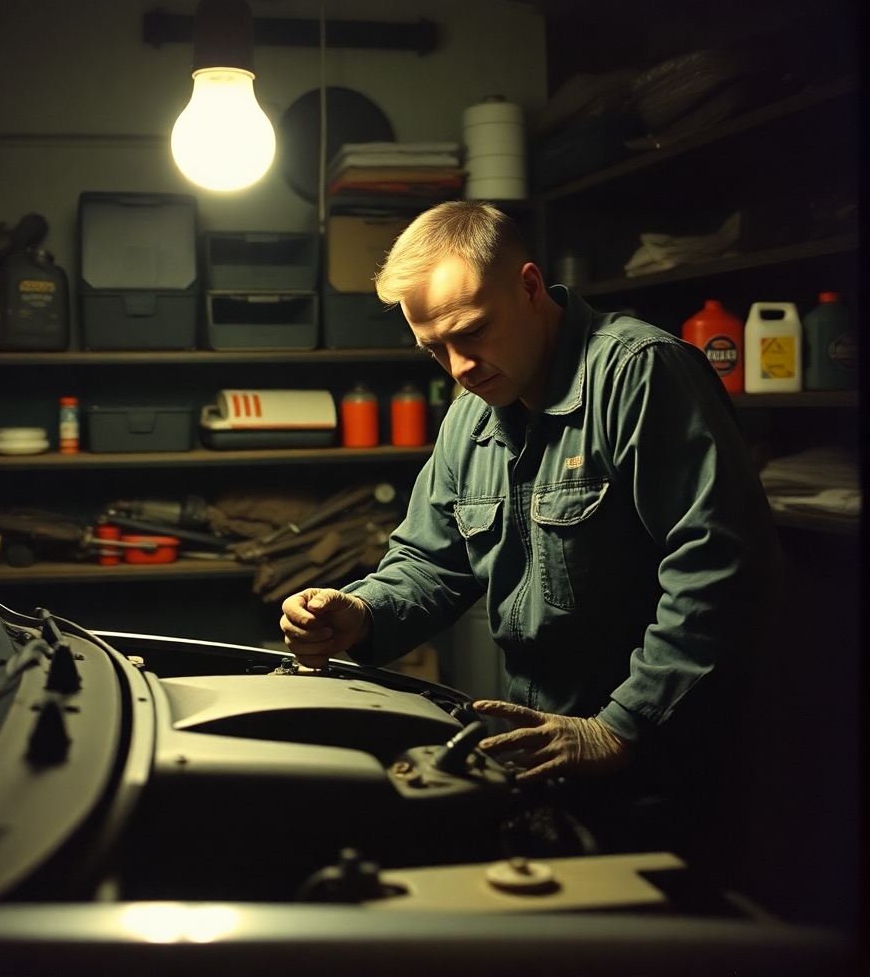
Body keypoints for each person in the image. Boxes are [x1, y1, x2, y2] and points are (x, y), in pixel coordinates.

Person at [280, 201, 781, 850]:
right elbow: (432, 561)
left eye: (473, 332)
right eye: (436, 349)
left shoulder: (640, 375)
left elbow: (722, 568)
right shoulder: (471, 417)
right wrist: (361, 611)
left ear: (529, 286)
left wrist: (621, 727)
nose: (459, 366)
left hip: (665, 770)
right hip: (547, 764)